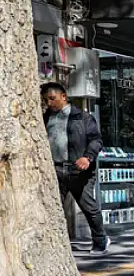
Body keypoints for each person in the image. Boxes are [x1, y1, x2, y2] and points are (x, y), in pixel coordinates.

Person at [41, 82, 110, 254]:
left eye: (52, 98)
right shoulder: (44, 117)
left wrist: (87, 157)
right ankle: (56, 245)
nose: (49, 103)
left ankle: (100, 240)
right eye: (46, 100)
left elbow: (96, 140)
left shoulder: (83, 117)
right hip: (55, 170)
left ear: (63, 96)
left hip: (79, 171)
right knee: (52, 209)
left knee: (89, 208)